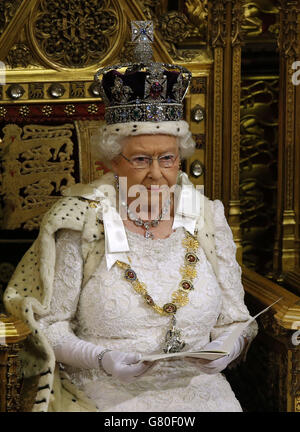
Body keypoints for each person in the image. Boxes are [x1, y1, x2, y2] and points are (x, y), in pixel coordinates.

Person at [4, 21, 257, 412]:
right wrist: (100, 359)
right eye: (141, 159)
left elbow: (236, 319)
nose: (156, 173)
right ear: (111, 161)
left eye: (168, 158)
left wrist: (229, 347)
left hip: (201, 390)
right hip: (101, 392)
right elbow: (48, 326)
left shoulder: (206, 216)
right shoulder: (81, 220)